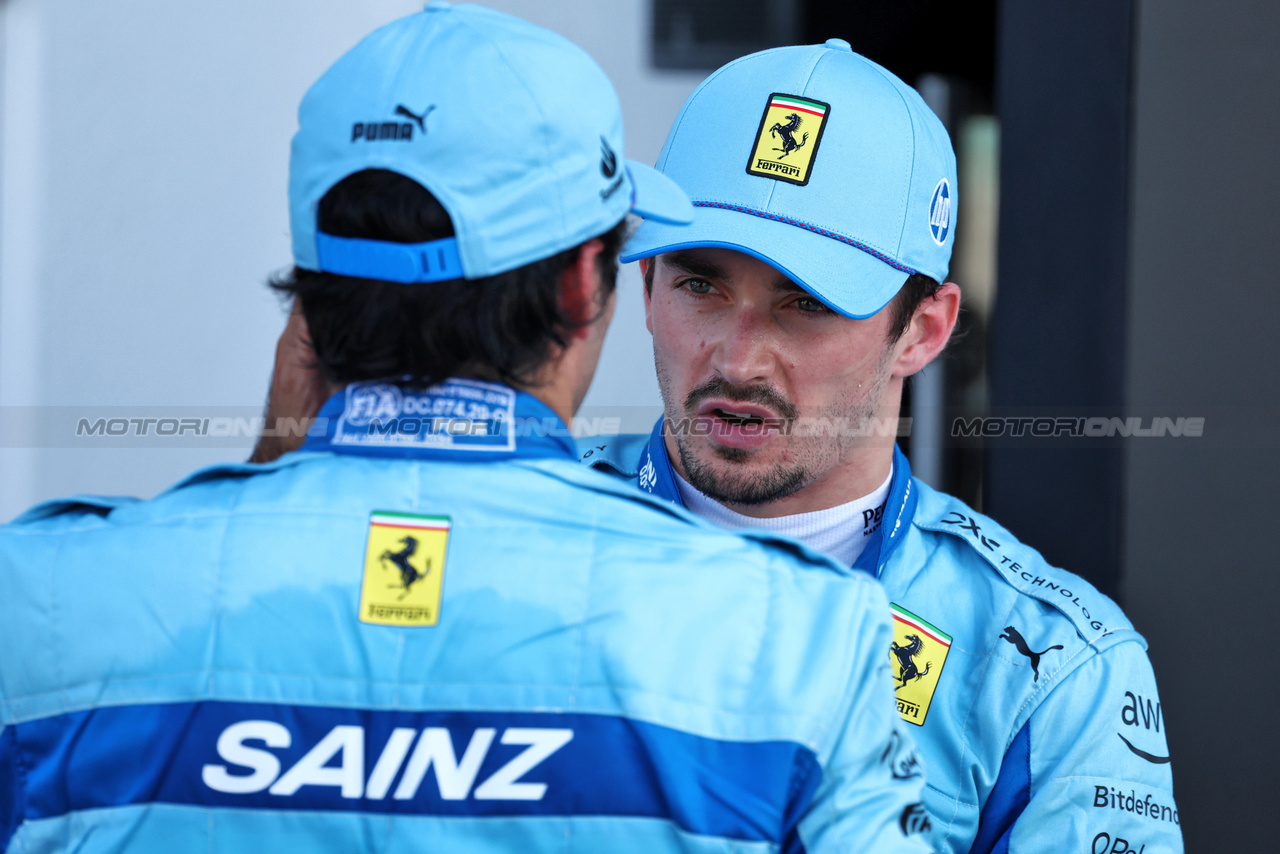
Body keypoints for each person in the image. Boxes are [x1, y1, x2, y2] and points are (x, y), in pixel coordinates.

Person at [0, 8, 931, 853]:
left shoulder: (39, 597)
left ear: (315, 292)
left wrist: (266, 485)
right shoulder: (799, 640)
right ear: (584, 284)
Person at [581, 39, 1183, 854]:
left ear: (924, 330)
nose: (736, 359)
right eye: (701, 285)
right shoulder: (504, 538)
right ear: (646, 290)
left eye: (806, 303)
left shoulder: (1051, 663)